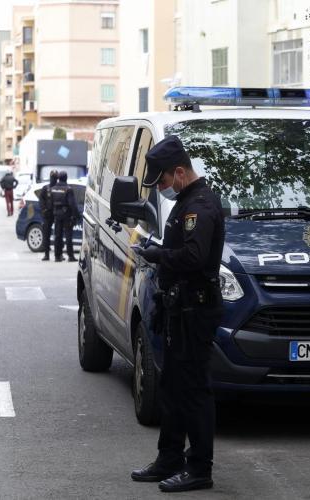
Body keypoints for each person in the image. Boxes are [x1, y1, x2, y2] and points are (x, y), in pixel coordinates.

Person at [130, 135, 225, 493]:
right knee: (171, 386)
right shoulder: (186, 201)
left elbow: (194, 257)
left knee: (194, 390)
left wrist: (157, 255)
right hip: (179, 307)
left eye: (164, 180)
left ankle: (199, 468)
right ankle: (169, 458)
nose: (162, 188)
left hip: (195, 309)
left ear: (180, 172)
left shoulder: (200, 205)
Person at [50, 171, 79, 262]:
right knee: (68, 235)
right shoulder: (68, 189)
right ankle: (70, 256)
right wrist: (76, 215)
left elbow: (50, 203)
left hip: (56, 214)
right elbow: (72, 204)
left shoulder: (53, 189)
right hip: (66, 215)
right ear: (66, 178)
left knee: (57, 235)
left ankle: (57, 256)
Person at [39, 170, 59, 261]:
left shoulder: (59, 188)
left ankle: (58, 254)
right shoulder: (45, 188)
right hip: (48, 215)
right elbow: (41, 200)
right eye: (53, 177)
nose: (54, 179)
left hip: (57, 214)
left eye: (55, 177)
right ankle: (46, 254)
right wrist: (44, 210)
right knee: (46, 235)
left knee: (58, 235)